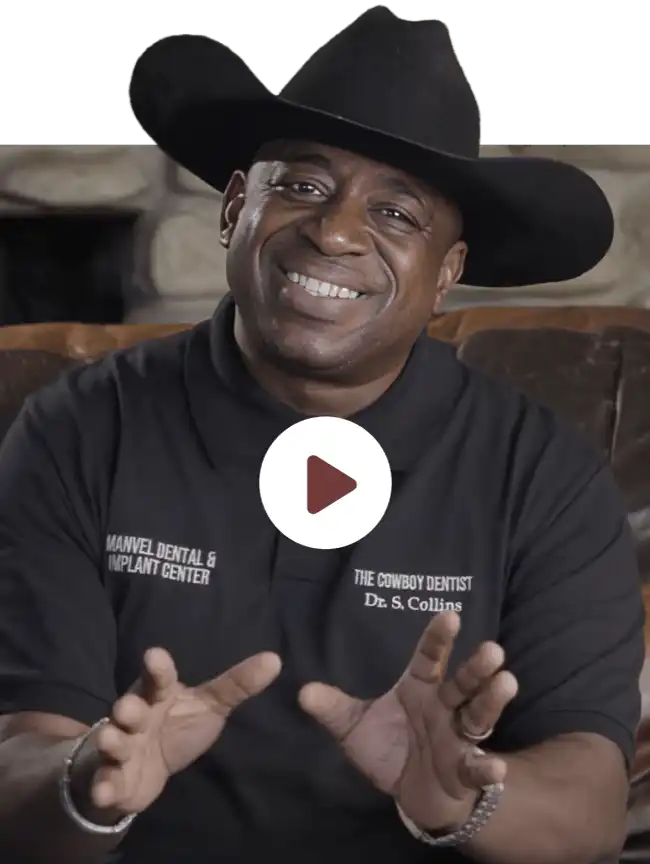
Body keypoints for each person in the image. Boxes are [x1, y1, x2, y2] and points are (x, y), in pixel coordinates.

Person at [0, 8, 643, 864]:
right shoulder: (80, 427)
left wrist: (463, 801)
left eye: (399, 214)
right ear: (236, 209)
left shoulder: (540, 472)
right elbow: (23, 757)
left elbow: (592, 804)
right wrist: (86, 784)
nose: (336, 231)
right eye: (301, 185)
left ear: (447, 274)